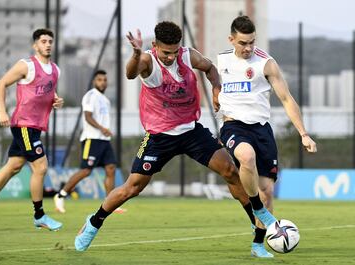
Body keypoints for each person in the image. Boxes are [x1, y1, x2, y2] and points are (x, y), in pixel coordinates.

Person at [74, 21, 277, 255]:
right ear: (155, 46)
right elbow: (131, 73)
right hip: (160, 137)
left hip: (191, 131)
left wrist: (215, 89)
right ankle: (93, 223)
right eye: (166, 53)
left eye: (174, 51)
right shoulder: (148, 61)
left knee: (231, 172)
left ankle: (257, 228)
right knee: (132, 188)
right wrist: (136, 53)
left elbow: (210, 68)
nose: (171, 57)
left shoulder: (187, 55)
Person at [216, 16, 317, 257]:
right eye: (242, 43)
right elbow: (205, 74)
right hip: (233, 127)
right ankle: (258, 210)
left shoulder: (266, 64)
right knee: (246, 156)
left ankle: (258, 244)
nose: (248, 48)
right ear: (231, 39)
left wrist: (304, 134)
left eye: (251, 42)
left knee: (267, 191)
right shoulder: (220, 60)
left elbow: (286, 99)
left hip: (261, 130)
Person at [0, 28, 64, 231]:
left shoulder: (56, 70)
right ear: (35, 45)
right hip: (23, 124)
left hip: (35, 127)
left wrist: (56, 100)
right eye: (43, 41)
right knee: (40, 167)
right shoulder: (26, 65)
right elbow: (2, 83)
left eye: (50, 41)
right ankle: (39, 215)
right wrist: (2, 111)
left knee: (13, 167)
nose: (48, 44)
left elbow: (49, 92)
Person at [53, 69, 125, 214]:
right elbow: (88, 117)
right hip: (92, 139)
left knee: (110, 168)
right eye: (99, 80)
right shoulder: (90, 96)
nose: (102, 82)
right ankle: (60, 195)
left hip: (104, 140)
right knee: (86, 170)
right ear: (94, 81)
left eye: (104, 80)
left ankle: (110, 203)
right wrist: (102, 128)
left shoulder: (105, 99)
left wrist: (104, 131)